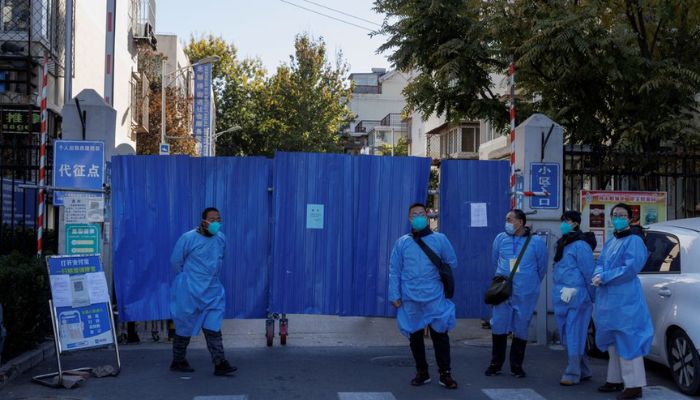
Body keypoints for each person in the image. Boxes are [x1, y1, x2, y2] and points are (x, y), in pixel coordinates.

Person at [389, 202, 459, 389]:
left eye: (421, 213)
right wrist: (394, 294)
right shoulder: (402, 242)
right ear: (409, 219)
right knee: (415, 336)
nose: (418, 217)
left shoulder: (440, 239)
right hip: (410, 297)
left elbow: (451, 262)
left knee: (440, 335)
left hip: (434, 296)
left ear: (427, 217)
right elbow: (394, 270)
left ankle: (445, 374)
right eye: (414, 214)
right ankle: (422, 372)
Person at [592, 203, 653, 400]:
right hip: (609, 299)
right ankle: (615, 379)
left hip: (626, 298)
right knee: (613, 341)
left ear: (630, 218)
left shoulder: (634, 240)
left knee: (629, 339)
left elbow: (630, 268)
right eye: (615, 214)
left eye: (622, 215)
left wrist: (605, 277)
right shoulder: (611, 241)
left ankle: (635, 385)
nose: (617, 218)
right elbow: (600, 263)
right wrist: (598, 274)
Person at [169, 207, 237, 376]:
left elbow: (221, 258)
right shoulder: (188, 238)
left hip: (212, 289)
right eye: (212, 219)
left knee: (213, 325)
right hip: (189, 289)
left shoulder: (221, 239)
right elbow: (176, 262)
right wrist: (187, 279)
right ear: (204, 221)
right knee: (184, 325)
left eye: (218, 219)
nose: (216, 223)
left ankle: (220, 362)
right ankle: (178, 360)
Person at [485, 209, 548, 378]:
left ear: (520, 222)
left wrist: (529, 282)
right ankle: (495, 364)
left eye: (509, 219)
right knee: (498, 324)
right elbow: (494, 259)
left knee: (521, 327)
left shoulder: (536, 242)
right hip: (503, 290)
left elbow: (542, 268)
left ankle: (516, 366)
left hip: (525, 291)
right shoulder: (500, 238)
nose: (506, 222)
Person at [552, 211, 596, 386]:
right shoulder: (562, 243)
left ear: (576, 224)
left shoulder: (580, 245)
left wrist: (592, 296)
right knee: (566, 334)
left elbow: (589, 272)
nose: (563, 224)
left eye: (567, 221)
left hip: (577, 295)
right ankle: (584, 369)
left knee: (573, 333)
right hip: (561, 294)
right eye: (562, 221)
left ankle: (572, 372)